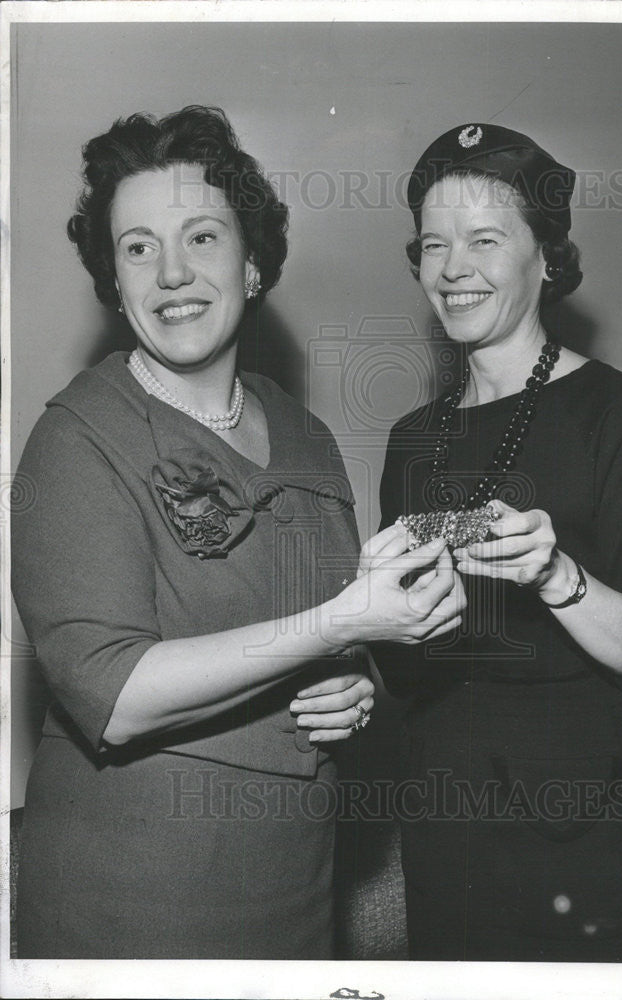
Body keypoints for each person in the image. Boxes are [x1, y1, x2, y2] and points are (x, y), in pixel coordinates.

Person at [11, 106, 465, 960]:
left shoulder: (305, 434)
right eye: (139, 247)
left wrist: (353, 681)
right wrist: (339, 628)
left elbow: (315, 629)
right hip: (136, 893)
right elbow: (111, 696)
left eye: (203, 239)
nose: (172, 273)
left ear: (253, 263)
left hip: (295, 882)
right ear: (113, 280)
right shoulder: (77, 437)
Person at [367, 123, 622, 961]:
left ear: (546, 257)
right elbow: (407, 672)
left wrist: (556, 575)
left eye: (484, 239)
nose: (452, 267)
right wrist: (376, 615)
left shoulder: (617, 413)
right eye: (433, 244)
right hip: (443, 803)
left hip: (576, 813)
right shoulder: (411, 439)